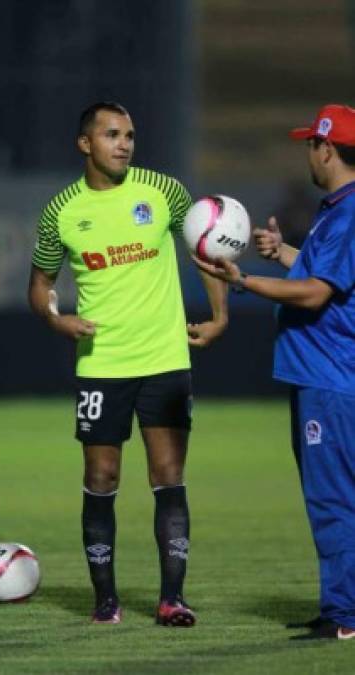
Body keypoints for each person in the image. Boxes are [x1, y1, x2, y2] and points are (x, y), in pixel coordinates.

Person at [28, 101, 228, 625]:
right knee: (102, 475)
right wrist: (56, 321)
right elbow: (41, 286)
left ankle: (172, 600)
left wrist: (219, 314)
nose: (125, 143)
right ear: (85, 144)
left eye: (131, 135)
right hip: (102, 364)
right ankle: (106, 601)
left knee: (168, 474)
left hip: (165, 356)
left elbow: (203, 250)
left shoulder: (162, 191)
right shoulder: (61, 212)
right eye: (113, 134)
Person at [193, 103, 355, 641]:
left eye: (311, 142)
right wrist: (282, 252)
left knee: (334, 501)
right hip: (324, 378)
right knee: (333, 498)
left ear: (327, 149)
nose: (307, 150)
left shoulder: (350, 211)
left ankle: (345, 615)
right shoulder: (338, 208)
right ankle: (341, 606)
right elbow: (321, 273)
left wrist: (244, 282)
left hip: (331, 380)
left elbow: (315, 293)